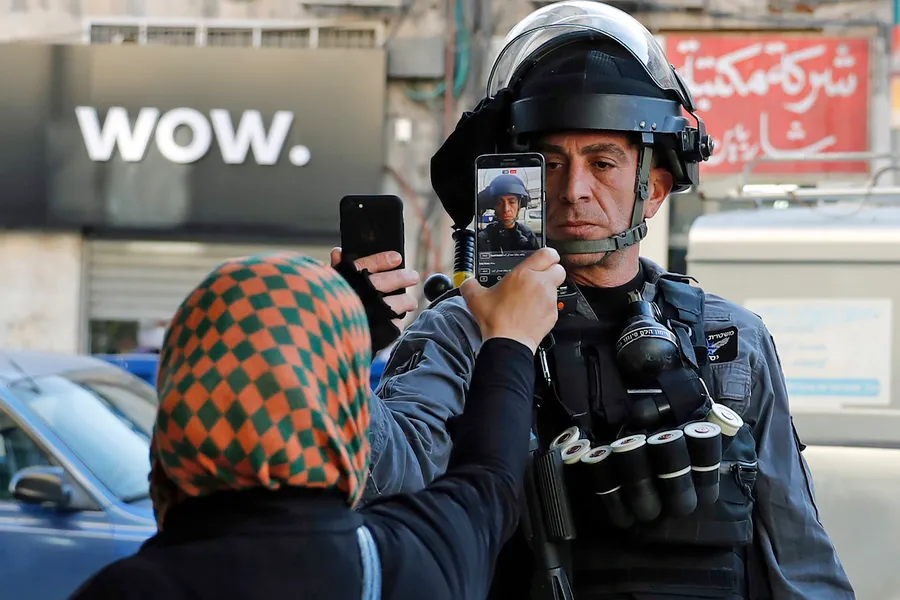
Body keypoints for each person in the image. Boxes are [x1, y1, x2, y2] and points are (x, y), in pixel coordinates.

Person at [356, 1, 856, 599]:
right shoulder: (464, 329)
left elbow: (797, 553)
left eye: (603, 163)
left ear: (654, 190)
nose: (575, 191)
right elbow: (379, 476)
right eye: (552, 163)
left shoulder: (729, 341)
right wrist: (336, 346)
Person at [67, 249, 566, 600]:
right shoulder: (417, 559)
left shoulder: (123, 589)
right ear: (343, 403)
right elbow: (490, 480)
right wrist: (511, 338)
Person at [477, 173, 540, 252]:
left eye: (512, 202)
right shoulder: (484, 237)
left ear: (519, 206)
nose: (506, 209)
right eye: (499, 203)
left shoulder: (528, 234)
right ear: (494, 206)